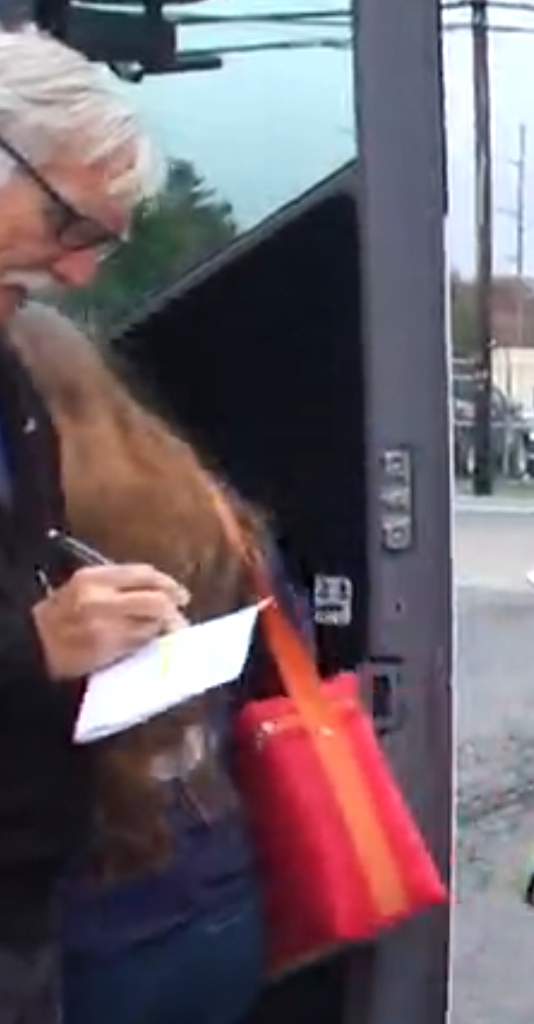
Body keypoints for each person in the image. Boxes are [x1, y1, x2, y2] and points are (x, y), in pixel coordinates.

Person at [5, 305, 283, 1024]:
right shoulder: (206, 501)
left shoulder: (33, 544)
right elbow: (283, 646)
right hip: (224, 892)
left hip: (89, 915)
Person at [0, 30, 190, 1024]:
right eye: (66, 222)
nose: (77, 276)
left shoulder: (15, 371)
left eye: (98, 244)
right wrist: (33, 642)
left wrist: (98, 624)